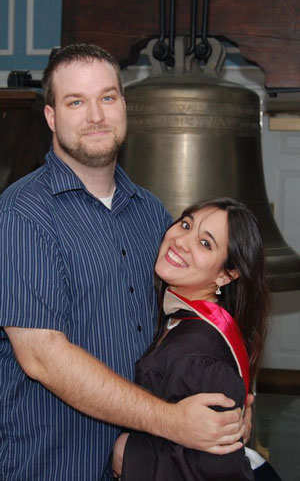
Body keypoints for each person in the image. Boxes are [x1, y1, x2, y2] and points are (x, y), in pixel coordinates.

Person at [0, 44, 247, 481]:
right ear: (52, 118)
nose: (96, 115)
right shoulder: (23, 214)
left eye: (107, 97)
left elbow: (188, 317)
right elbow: (43, 356)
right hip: (54, 461)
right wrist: (172, 422)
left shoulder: (151, 212)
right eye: (76, 101)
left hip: (142, 461)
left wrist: (229, 405)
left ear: (124, 105)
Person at [112, 198, 282, 480]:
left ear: (227, 275)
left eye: (206, 243)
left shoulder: (199, 355)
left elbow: (216, 472)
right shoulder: (177, 318)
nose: (181, 241)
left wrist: (128, 454)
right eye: (186, 224)